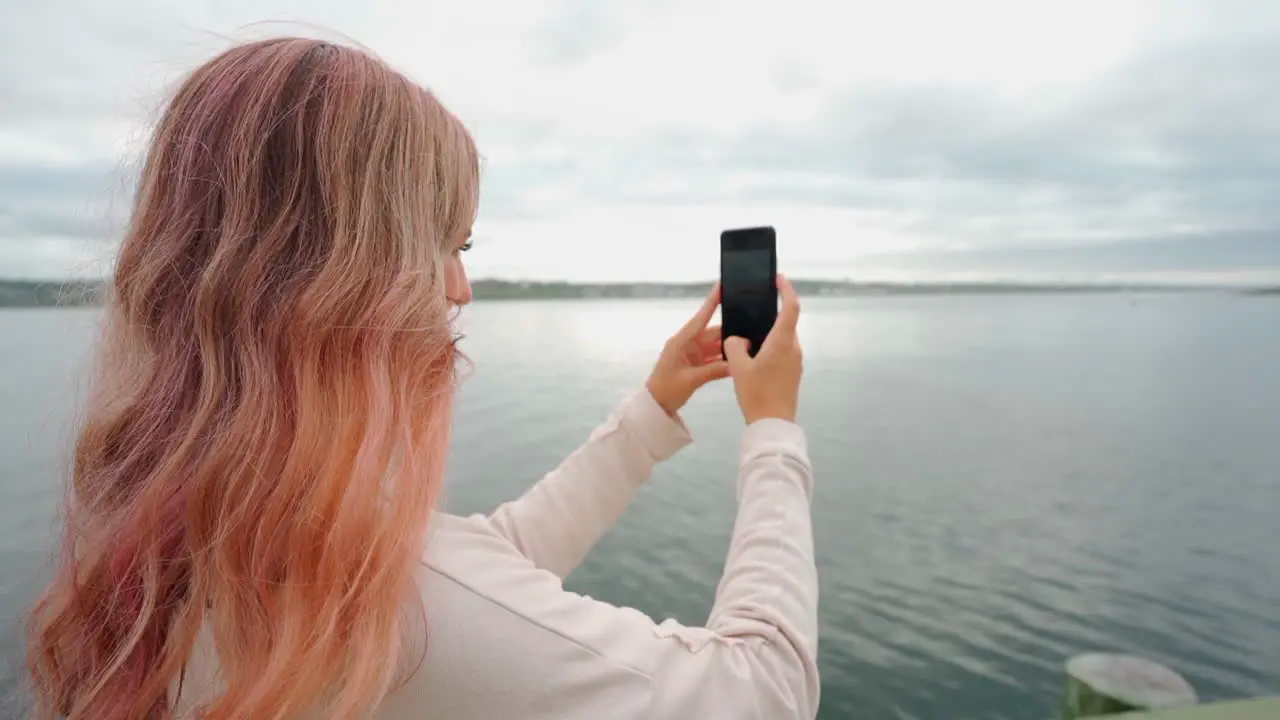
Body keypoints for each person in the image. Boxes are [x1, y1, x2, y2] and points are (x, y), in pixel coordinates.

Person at [25, 37, 818, 720]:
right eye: (449, 245)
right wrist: (773, 427)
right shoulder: (378, 597)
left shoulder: (183, 528)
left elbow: (484, 565)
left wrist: (653, 408)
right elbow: (764, 690)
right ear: (346, 274)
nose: (459, 289)